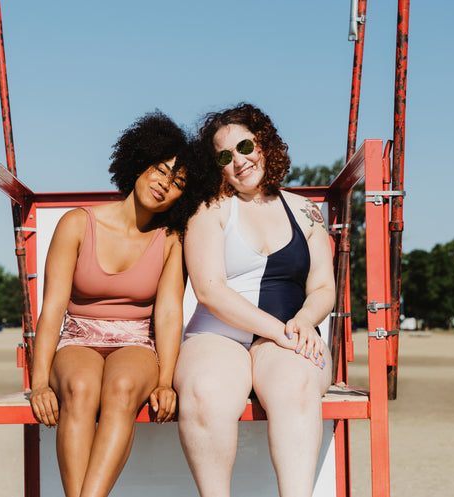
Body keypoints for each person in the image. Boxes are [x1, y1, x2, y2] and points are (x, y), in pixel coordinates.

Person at [29, 111, 214, 497]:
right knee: (79, 387)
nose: (165, 185)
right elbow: (52, 310)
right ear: (139, 163)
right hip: (77, 337)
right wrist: (39, 383)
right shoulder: (77, 224)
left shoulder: (171, 239)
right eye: (160, 170)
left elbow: (167, 312)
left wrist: (165, 382)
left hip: (136, 342)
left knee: (124, 387)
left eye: (179, 182)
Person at [174, 103, 335, 497]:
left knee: (296, 384)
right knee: (205, 391)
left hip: (289, 332)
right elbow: (210, 291)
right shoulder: (208, 209)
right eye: (225, 157)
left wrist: (301, 321)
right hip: (220, 335)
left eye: (245, 146)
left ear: (263, 143)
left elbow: (323, 288)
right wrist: (280, 332)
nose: (240, 161)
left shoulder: (306, 211)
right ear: (218, 168)